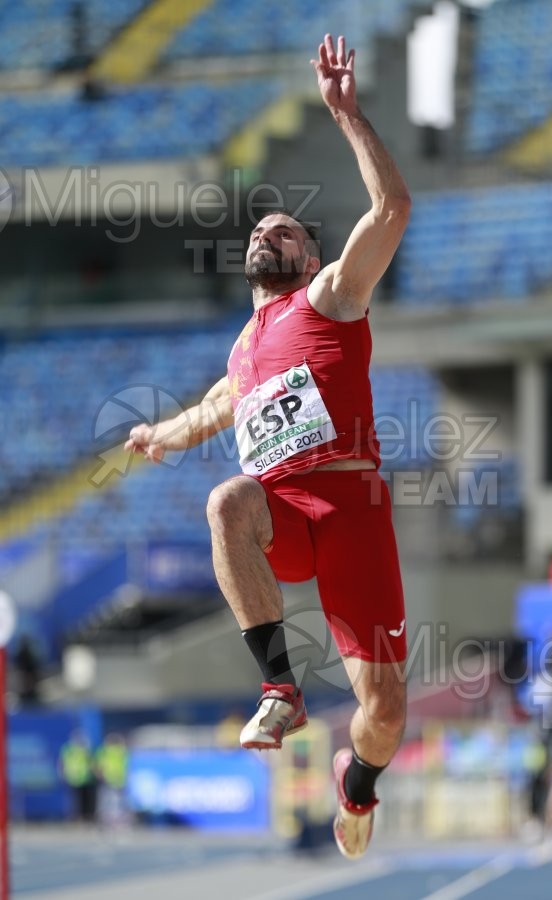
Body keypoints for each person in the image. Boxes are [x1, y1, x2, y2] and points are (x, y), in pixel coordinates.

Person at [125, 33, 411, 860]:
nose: (269, 235)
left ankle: (357, 787)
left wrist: (349, 117)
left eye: (285, 230)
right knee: (225, 500)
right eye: (261, 231)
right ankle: (279, 685)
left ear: (312, 257)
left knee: (385, 710)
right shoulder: (244, 349)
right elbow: (216, 407)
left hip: (352, 509)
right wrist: (161, 434)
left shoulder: (331, 297)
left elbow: (390, 210)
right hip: (282, 512)